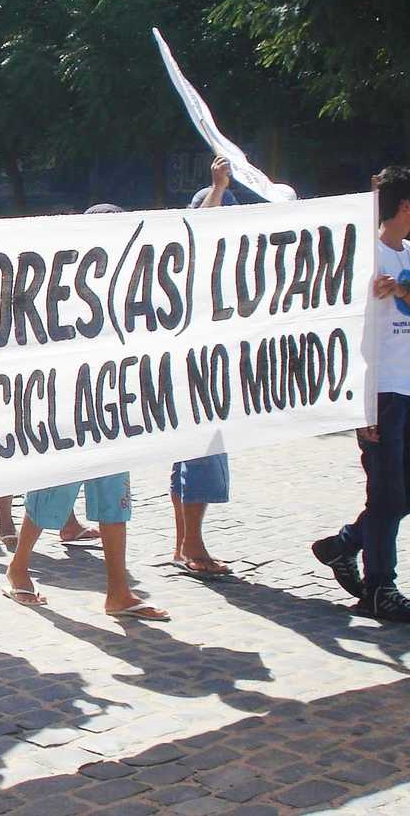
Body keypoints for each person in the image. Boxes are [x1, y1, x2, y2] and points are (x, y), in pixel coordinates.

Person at [312, 166, 410, 623]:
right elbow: (344, 330)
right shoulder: (363, 256)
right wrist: (359, 401)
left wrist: (405, 294)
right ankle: (379, 589)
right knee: (386, 494)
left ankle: (345, 544)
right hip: (379, 392)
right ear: (404, 205)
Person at [170, 158, 236, 577]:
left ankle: (184, 544)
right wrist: (217, 187)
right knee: (201, 456)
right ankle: (192, 545)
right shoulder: (192, 256)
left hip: (209, 367)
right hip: (196, 372)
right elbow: (201, 227)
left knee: (189, 459)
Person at [6, 476, 169, 620]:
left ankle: (119, 592)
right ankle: (18, 567)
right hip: (68, 444)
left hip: (109, 443)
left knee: (114, 499)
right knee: (52, 488)